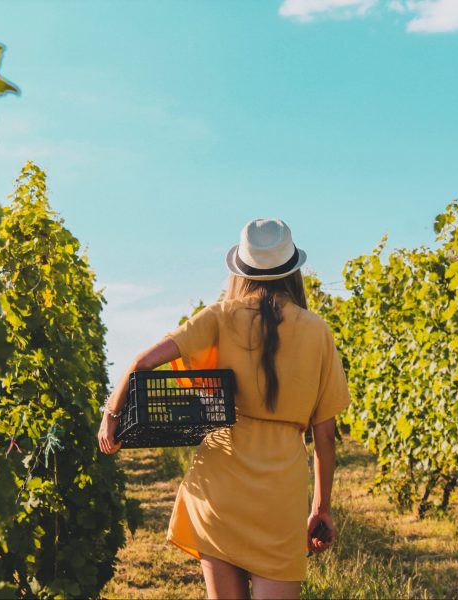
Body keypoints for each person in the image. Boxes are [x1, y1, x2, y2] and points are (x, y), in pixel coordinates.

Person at [98, 218, 351, 600]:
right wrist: (321, 508)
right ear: (291, 270)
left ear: (242, 269)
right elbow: (325, 435)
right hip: (279, 496)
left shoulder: (219, 315)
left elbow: (142, 362)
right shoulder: (317, 331)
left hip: (219, 485)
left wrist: (111, 415)